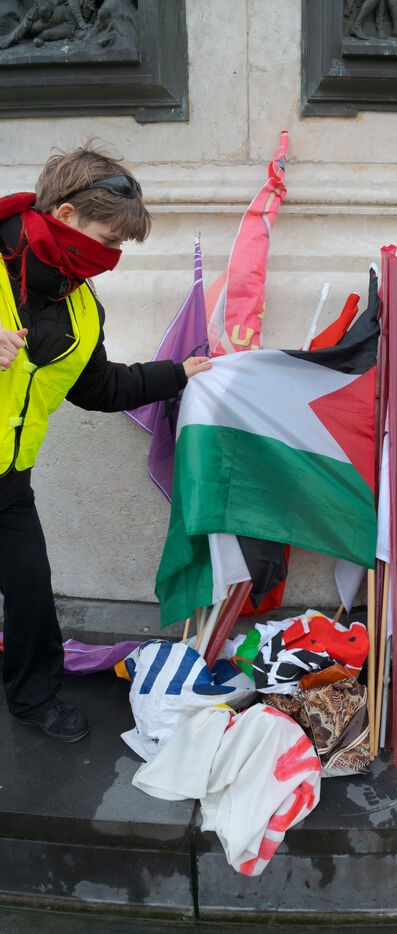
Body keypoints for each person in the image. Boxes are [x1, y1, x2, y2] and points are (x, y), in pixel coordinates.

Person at [0, 143, 212, 742]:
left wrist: (179, 373)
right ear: (66, 217)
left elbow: (98, 387)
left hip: (8, 481)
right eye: (108, 240)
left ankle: (34, 701)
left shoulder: (82, 305)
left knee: (30, 592)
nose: (111, 259)